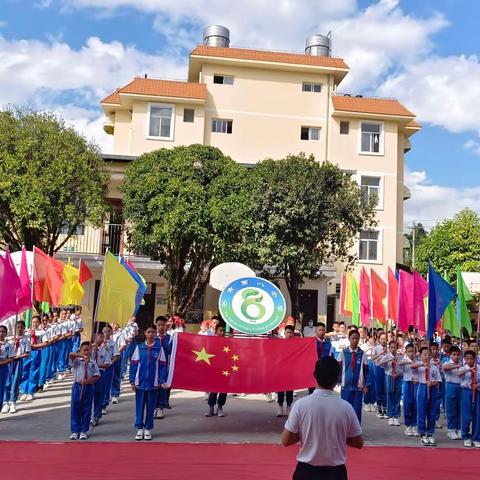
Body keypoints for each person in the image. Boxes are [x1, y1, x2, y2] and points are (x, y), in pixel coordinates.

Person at [282, 356, 363, 480]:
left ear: (314, 375)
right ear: (337, 379)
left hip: (306, 472)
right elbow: (358, 442)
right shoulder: (346, 408)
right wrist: (338, 435)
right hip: (336, 473)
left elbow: (286, 440)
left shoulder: (300, 405)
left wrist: (303, 434)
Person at [129, 325, 168, 441]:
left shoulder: (159, 349)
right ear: (145, 333)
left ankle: (148, 429)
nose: (151, 334)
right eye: (149, 332)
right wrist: (132, 381)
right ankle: (139, 428)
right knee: (139, 407)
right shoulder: (139, 348)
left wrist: (161, 380)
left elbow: (162, 366)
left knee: (150, 408)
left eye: (153, 332)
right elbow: (134, 365)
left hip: (153, 384)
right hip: (140, 383)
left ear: (155, 334)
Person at [411, 346, 442, 446]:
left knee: (432, 413)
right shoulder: (419, 367)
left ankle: (430, 433)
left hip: (432, 389)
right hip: (422, 388)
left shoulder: (434, 367)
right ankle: (422, 434)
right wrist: (423, 365)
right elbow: (412, 367)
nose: (426, 356)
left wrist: (432, 383)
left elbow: (439, 380)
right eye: (424, 354)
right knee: (421, 412)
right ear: (420, 356)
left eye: (428, 354)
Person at [69, 341, 100, 440]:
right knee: (75, 409)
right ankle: (75, 431)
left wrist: (89, 381)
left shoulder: (92, 363)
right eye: (84, 350)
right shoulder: (77, 361)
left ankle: (83, 430)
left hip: (88, 387)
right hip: (77, 387)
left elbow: (97, 376)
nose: (86, 352)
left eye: (88, 350)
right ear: (81, 351)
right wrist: (80, 355)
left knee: (86, 409)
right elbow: (70, 354)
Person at [339, 330, 368, 423]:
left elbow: (366, 371)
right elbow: (338, 369)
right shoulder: (343, 353)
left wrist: (366, 385)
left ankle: (356, 432)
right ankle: (345, 431)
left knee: (357, 411)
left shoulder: (362, 354)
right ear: (349, 339)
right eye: (353, 338)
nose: (355, 340)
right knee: (345, 411)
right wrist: (337, 381)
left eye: (357, 339)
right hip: (345, 387)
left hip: (358, 388)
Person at [2, 321, 31, 414]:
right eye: (18, 327)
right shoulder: (10, 340)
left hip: (17, 361)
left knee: (15, 382)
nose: (19, 329)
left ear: (24, 328)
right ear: (15, 328)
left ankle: (13, 402)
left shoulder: (26, 340)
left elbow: (27, 354)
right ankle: (5, 402)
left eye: (21, 327)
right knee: (6, 382)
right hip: (8, 362)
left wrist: (19, 356)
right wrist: (12, 343)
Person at [458, 350, 480, 448]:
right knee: (466, 415)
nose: (470, 361)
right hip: (466, 392)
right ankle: (466, 436)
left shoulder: (479, 368)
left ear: (475, 359)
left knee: (477, 415)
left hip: (477, 391)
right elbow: (459, 374)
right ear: (465, 359)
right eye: (468, 359)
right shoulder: (463, 368)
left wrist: (477, 385)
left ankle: (476, 437)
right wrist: (469, 370)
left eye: (472, 359)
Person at [206, 322, 228, 417]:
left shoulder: (229, 342)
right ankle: (211, 407)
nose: (222, 333)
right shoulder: (211, 341)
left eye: (224, 331)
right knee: (213, 389)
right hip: (215, 370)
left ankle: (220, 407)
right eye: (220, 331)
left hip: (226, 370)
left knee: (223, 390)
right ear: (216, 331)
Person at [378, 340, 402, 426]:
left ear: (397, 348)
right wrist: (387, 360)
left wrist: (398, 373)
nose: (393, 349)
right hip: (389, 376)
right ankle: (390, 415)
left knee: (397, 395)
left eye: (395, 347)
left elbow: (402, 368)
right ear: (389, 348)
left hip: (398, 377)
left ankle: (396, 416)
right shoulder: (387, 356)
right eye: (391, 347)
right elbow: (379, 363)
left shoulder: (400, 357)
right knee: (389, 394)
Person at [90, 332, 112, 426]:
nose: (102, 338)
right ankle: (88, 415)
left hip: (100, 373)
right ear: (95, 337)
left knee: (99, 395)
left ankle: (96, 415)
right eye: (100, 336)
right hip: (90, 374)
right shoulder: (89, 349)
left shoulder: (104, 350)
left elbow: (107, 364)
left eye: (103, 337)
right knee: (89, 395)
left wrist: (97, 365)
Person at [442, 345, 462, 440]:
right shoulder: (447, 363)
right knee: (451, 408)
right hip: (450, 386)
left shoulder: (462, 363)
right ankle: (451, 429)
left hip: (460, 387)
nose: (456, 357)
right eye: (454, 355)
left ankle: (459, 428)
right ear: (450, 355)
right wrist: (457, 366)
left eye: (458, 355)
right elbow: (445, 368)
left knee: (460, 408)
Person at [399, 343, 419, 436]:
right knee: (407, 404)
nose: (411, 354)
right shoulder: (405, 360)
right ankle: (408, 425)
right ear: (406, 352)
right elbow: (400, 365)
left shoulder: (418, 360)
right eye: (409, 352)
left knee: (415, 404)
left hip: (416, 384)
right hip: (407, 383)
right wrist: (409, 361)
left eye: (413, 351)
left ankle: (414, 424)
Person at [154, 315, 172, 419]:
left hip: (164, 367)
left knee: (162, 387)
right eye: (159, 325)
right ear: (156, 325)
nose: (161, 327)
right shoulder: (152, 337)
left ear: (166, 326)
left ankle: (160, 407)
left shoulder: (169, 338)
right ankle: (154, 407)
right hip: (153, 366)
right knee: (154, 387)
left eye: (163, 325)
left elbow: (172, 352)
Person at [276, 325, 295, 417]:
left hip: (291, 370)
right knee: (280, 389)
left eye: (291, 332)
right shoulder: (280, 343)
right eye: (288, 332)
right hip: (281, 370)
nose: (289, 334)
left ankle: (288, 407)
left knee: (290, 389)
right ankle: (280, 407)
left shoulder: (296, 344)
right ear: (284, 333)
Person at [308, 323, 332, 394]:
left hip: (325, 369)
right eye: (319, 330)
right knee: (312, 389)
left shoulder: (328, 344)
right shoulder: (311, 342)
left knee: (324, 389)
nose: (321, 331)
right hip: (314, 368)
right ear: (316, 331)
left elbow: (330, 357)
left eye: (323, 330)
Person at [102, 325, 120, 414]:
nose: (106, 333)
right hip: (99, 367)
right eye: (104, 331)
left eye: (108, 331)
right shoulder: (98, 343)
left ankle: (104, 404)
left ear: (111, 333)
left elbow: (116, 355)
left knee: (106, 386)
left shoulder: (113, 344)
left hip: (108, 367)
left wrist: (110, 363)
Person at [372, 332, 388, 419]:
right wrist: (381, 354)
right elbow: (372, 358)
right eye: (382, 339)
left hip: (387, 370)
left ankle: (385, 408)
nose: (384, 340)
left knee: (385, 389)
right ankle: (379, 408)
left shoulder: (389, 348)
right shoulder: (376, 348)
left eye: (385, 339)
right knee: (379, 389)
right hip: (378, 369)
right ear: (379, 339)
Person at [0, 325, 15, 414]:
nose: (1, 334)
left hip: (3, 367)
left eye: (3, 332)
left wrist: (2, 362)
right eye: (0, 331)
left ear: (6, 333)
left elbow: (11, 358)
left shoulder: (8, 345)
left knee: (2, 388)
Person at [360, 334, 376, 412]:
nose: (373, 340)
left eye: (374, 338)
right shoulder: (363, 346)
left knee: (373, 385)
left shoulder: (376, 346)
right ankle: (366, 403)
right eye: (371, 338)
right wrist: (368, 349)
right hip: (367, 364)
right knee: (367, 384)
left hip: (374, 365)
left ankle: (372, 402)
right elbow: (361, 354)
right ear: (368, 338)